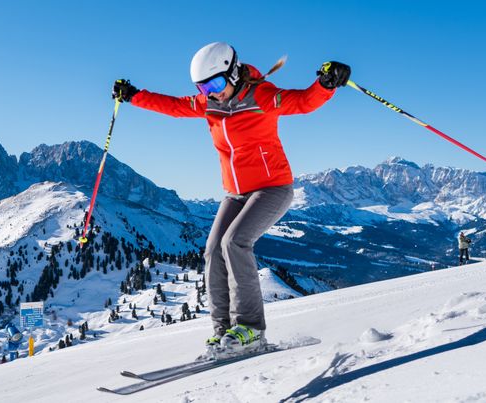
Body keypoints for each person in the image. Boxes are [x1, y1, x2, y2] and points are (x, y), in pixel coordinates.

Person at [113, 42, 349, 352]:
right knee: (212, 250)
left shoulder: (262, 95)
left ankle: (250, 328)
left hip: (273, 187)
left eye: (215, 83)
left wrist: (325, 84)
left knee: (234, 242)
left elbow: (302, 102)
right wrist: (134, 96)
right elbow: (173, 106)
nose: (211, 92)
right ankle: (223, 331)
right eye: (203, 87)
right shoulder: (209, 104)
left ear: (233, 72)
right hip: (235, 193)